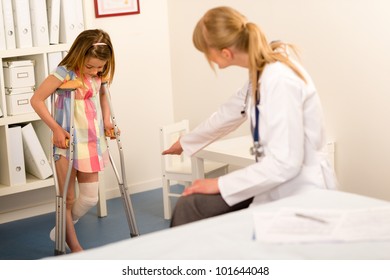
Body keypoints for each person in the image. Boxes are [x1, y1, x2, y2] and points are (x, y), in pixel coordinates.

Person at [162, 6, 338, 227]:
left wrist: (219, 184)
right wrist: (185, 142)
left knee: (194, 207)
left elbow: (285, 164)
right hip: (274, 183)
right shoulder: (262, 70)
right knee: (191, 205)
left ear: (225, 53)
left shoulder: (279, 80)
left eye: (207, 53)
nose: (209, 60)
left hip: (299, 190)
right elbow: (230, 112)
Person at [31, 29, 116, 252]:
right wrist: (56, 129)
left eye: (99, 67)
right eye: (90, 66)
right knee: (67, 198)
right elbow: (37, 100)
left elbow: (104, 94)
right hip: (67, 141)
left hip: (91, 140)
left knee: (89, 198)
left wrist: (107, 121)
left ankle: (63, 226)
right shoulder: (64, 72)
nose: (95, 71)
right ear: (79, 55)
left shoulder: (99, 73)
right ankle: (74, 245)